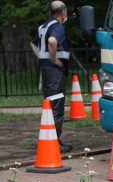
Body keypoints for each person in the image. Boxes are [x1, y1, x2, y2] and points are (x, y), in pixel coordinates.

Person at [31, 1, 73, 153]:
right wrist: (54, 59)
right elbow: (52, 40)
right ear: (63, 12)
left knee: (49, 105)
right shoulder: (57, 27)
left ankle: (48, 139)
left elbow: (33, 43)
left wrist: (43, 59)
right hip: (55, 71)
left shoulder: (43, 27)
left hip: (46, 70)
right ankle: (54, 142)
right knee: (56, 106)